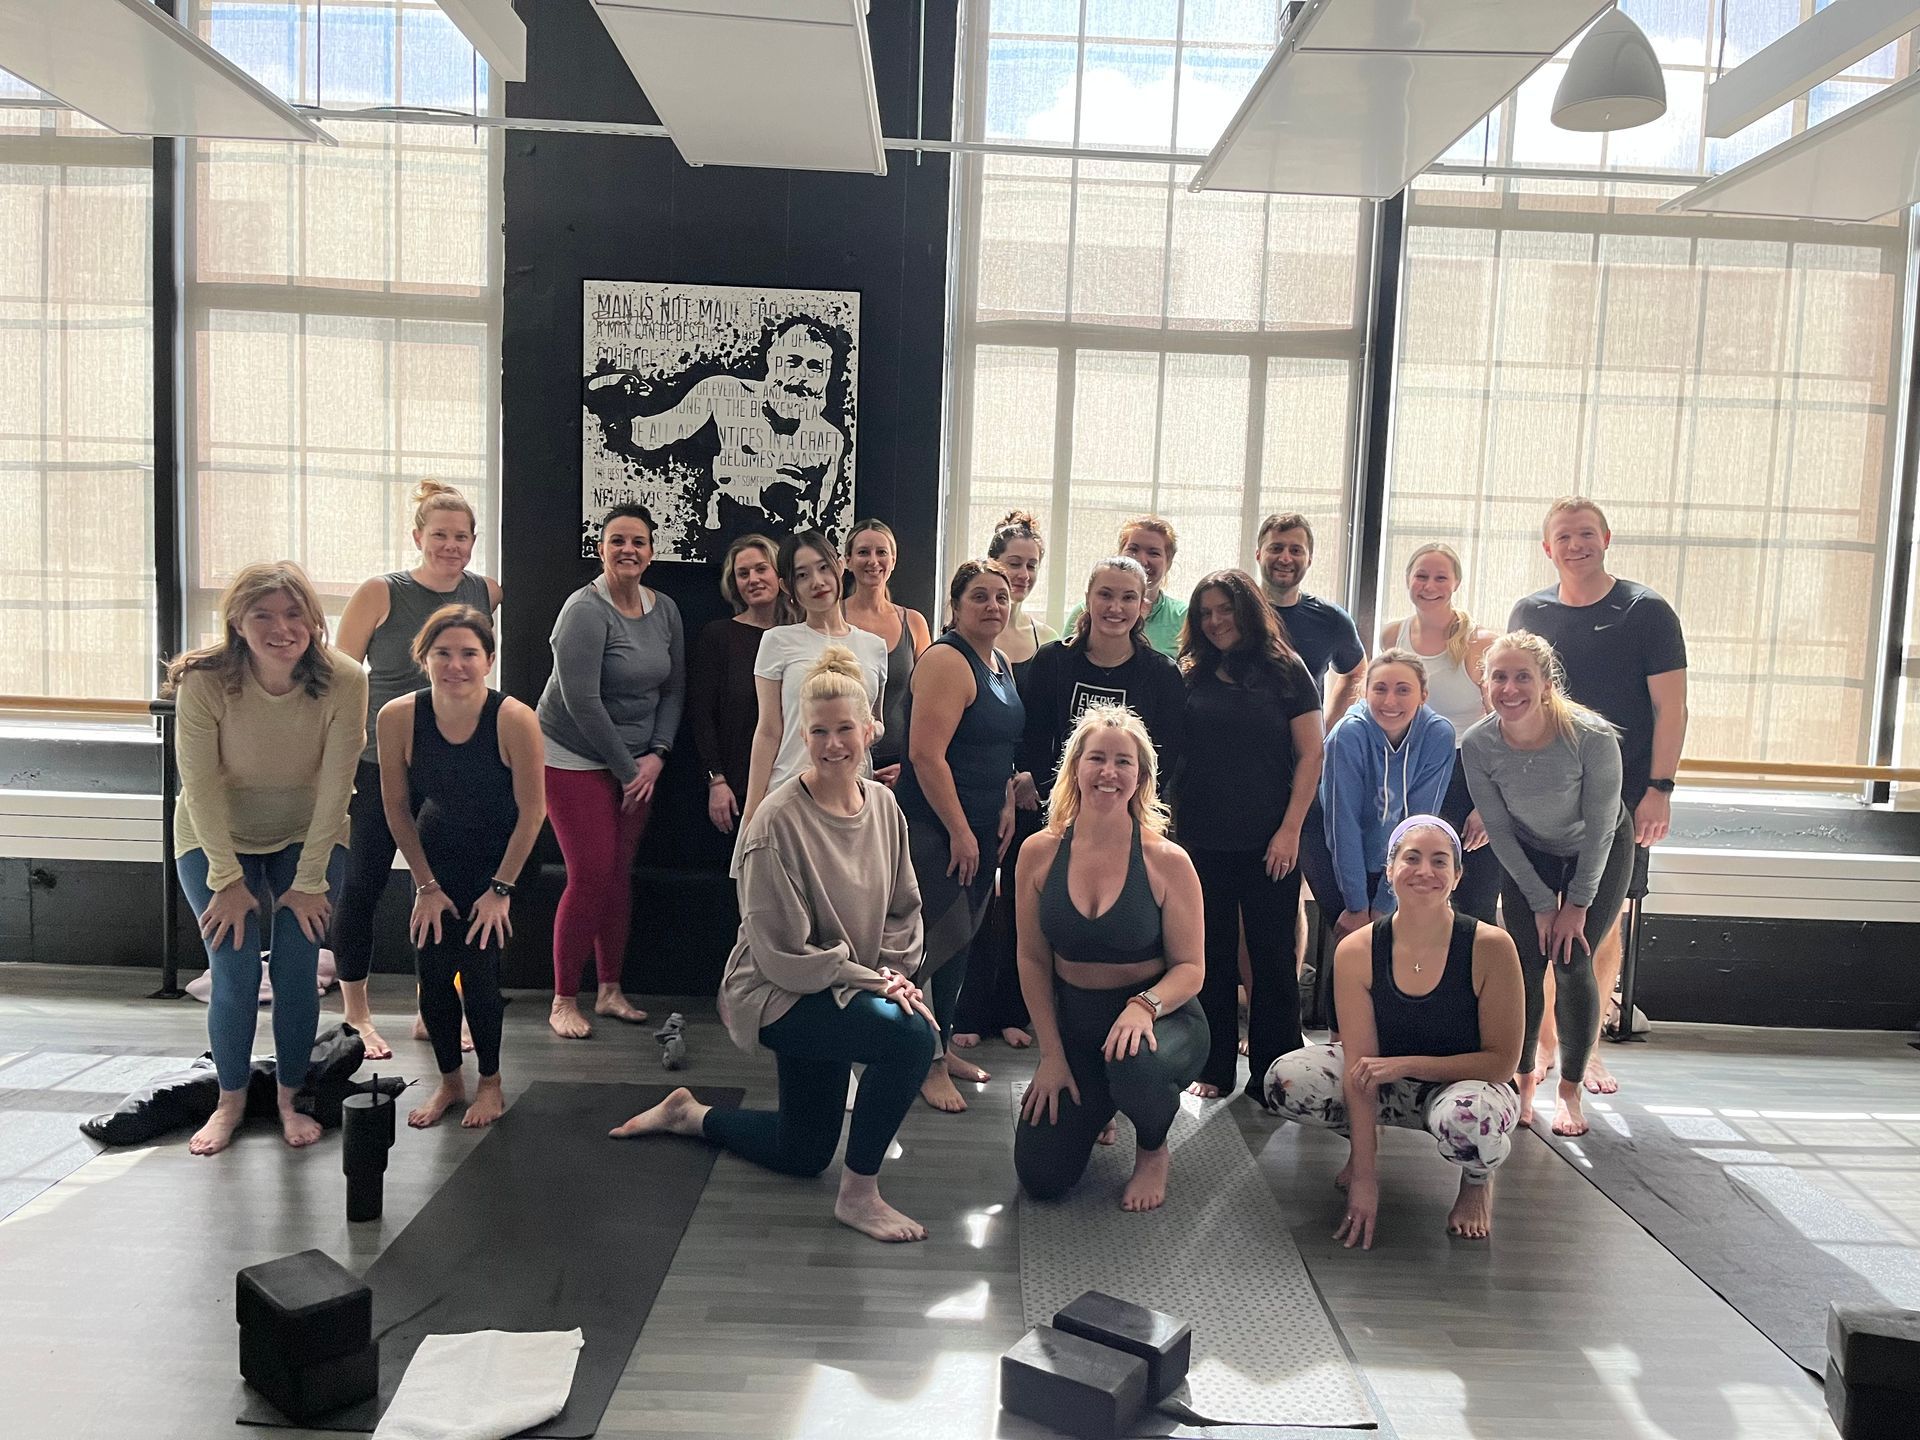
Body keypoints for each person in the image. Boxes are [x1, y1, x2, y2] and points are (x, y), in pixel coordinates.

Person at [610, 647, 937, 1243]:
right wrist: (873, 984)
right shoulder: (774, 822)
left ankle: (689, 1115)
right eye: (819, 732)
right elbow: (782, 951)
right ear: (801, 735)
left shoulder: (886, 807)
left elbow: (904, 910)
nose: (834, 744)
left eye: (845, 729)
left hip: (840, 984)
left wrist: (890, 973)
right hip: (776, 992)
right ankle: (859, 1196)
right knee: (911, 1035)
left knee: (802, 1151)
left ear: (871, 730)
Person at [165, 562, 366, 1156]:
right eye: (263, 616)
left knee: (299, 966)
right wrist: (226, 880)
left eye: (293, 613)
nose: (282, 628)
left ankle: (288, 1095)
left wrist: (308, 883)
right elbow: (198, 786)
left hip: (309, 832)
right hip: (213, 835)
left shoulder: (344, 679)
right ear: (237, 622)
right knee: (235, 968)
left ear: (313, 618)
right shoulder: (205, 681)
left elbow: (338, 786)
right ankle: (229, 1101)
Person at [1260, 816, 1524, 1246]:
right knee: (1285, 1080)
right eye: (1412, 858)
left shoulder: (1491, 946)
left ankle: (1477, 1180)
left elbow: (1501, 1062)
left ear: (1457, 876)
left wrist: (1405, 1064)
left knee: (1469, 1125)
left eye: (1440, 861)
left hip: (1465, 1086)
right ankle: (1363, 1145)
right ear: (1389, 871)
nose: (1425, 871)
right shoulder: (1358, 949)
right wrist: (1366, 1177)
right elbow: (1361, 1065)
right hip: (1386, 1082)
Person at [1509, 497, 1688, 1095]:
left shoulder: (1647, 611)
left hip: (1622, 800)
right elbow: (1512, 696)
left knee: (1596, 929)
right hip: (1540, 796)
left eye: (1587, 533)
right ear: (1547, 547)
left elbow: (1671, 707)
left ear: (1606, 538)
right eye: (1564, 536)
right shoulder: (1531, 610)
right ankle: (1541, 1046)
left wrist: (1659, 789)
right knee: (1536, 931)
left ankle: (1585, 1048)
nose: (1576, 544)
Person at [1014, 705, 1209, 1211]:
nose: (1108, 772)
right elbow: (1033, 959)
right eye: (1096, 758)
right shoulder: (1037, 852)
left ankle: (1152, 1147)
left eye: (1123, 762)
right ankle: (1100, 1104)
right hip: (1078, 1027)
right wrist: (1051, 1056)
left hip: (1162, 1021)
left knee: (1135, 1062)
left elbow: (1192, 968)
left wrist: (1145, 1004)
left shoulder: (1167, 860)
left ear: (1141, 776)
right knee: (1041, 1178)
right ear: (1074, 768)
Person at [331, 480, 499, 1060]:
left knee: (446, 888)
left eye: (461, 536)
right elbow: (340, 674)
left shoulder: (483, 591)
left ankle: (437, 1010)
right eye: (439, 536)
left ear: (474, 541)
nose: (450, 546)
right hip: (381, 760)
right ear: (417, 538)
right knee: (365, 884)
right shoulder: (383, 591)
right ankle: (356, 1014)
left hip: (451, 765)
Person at [376, 607, 545, 1129]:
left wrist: (500, 890)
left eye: (469, 653)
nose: (456, 664)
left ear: (489, 661)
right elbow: (397, 809)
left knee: (479, 973)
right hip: (435, 855)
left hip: (502, 856)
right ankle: (450, 1082)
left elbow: (533, 811)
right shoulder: (398, 716)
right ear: (423, 659)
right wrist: (425, 884)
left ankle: (490, 1084)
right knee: (431, 970)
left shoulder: (515, 718)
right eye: (442, 653)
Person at [1462, 630, 1634, 1137]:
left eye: (1522, 677)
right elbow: (1497, 830)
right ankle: (1524, 1082)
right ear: (1485, 683)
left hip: (1598, 848)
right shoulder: (1479, 744)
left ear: (1545, 684)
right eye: (1499, 677)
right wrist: (1540, 902)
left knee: (1574, 959)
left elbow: (1602, 827)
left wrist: (1576, 904)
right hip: (1529, 851)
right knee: (1526, 963)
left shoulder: (1591, 735)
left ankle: (1570, 1091)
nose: (1509, 688)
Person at [1173, 570, 1324, 1101]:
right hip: (1199, 839)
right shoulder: (1190, 672)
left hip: (1271, 842)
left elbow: (1311, 755)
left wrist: (1289, 832)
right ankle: (1213, 1068)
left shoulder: (1287, 670)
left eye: (1225, 609)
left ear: (1248, 610)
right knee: (1209, 956)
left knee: (1274, 959)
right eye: (1205, 613)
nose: (1215, 622)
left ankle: (1273, 1074)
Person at [539, 503, 685, 1040]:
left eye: (639, 541)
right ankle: (562, 1000)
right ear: (601, 548)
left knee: (618, 873)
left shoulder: (664, 609)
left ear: (651, 551)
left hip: (639, 763)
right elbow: (581, 700)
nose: (628, 549)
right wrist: (629, 771)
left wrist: (658, 754)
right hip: (571, 756)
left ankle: (609, 989)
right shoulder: (583, 611)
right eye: (617, 540)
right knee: (591, 873)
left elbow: (674, 688)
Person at [894, 559, 1023, 1112]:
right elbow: (925, 754)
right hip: (936, 829)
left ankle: (943, 1047)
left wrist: (1008, 801)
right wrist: (959, 831)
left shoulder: (999, 662)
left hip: (978, 824)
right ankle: (924, 1063)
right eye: (979, 596)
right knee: (932, 946)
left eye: (1001, 597)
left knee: (961, 943)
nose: (993, 605)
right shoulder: (948, 658)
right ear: (956, 605)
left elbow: (996, 749)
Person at [952, 510, 1057, 1052]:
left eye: (1032, 565)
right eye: (1013, 563)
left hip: (1026, 792)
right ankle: (965, 1011)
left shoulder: (1045, 634)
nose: (1022, 574)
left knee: (1020, 903)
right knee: (974, 905)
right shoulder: (969, 633)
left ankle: (1014, 1009)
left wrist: (1027, 780)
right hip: (975, 788)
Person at [1377, 544, 1500, 924]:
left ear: (1456, 583)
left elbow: (1504, 728)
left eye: (1441, 577)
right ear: (1408, 581)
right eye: (1422, 576)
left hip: (1468, 774)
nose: (1430, 586)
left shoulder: (1480, 643)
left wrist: (1489, 805)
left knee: (1472, 899)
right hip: (1409, 770)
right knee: (1412, 893)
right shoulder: (1392, 635)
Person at [741, 530, 889, 830]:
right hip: (791, 793)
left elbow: (876, 719)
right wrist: (752, 812)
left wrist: (871, 730)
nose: (817, 582)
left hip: (855, 796)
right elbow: (768, 731)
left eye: (823, 568)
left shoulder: (874, 646)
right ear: (788, 586)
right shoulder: (777, 641)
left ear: (838, 566)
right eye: (803, 575)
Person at [1020, 557, 1186, 802]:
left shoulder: (1162, 674)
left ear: (1142, 606)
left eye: (1128, 597)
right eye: (1105, 595)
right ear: (1088, 599)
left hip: (1131, 810)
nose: (1115, 607)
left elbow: (1164, 758)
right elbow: (1034, 740)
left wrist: (1125, 803)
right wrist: (1062, 797)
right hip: (1060, 806)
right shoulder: (1051, 661)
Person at [1321, 650, 1457, 940]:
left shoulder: (1438, 735)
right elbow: (1342, 822)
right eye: (1380, 689)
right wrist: (1357, 905)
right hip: (1336, 849)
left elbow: (1419, 824)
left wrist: (1386, 901)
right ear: (1364, 692)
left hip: (1398, 854)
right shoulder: (1348, 736)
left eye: (1403, 690)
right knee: (1352, 942)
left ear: (1423, 695)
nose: (1390, 701)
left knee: (1392, 940)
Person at [691, 534, 788, 837]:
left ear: (779, 573)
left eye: (761, 569)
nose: (753, 579)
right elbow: (701, 715)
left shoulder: (801, 635)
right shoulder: (718, 636)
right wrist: (715, 780)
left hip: (796, 783)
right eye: (743, 573)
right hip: (738, 790)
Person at [842, 518, 932, 786]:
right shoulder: (832, 617)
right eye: (863, 552)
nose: (873, 561)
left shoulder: (914, 623)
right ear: (847, 560)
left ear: (893, 560)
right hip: (842, 761)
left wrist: (909, 764)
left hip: (900, 764)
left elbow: (927, 702)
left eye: (881, 552)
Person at [1062, 515, 1187, 658]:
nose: (1141, 560)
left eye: (1153, 553)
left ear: (1169, 562)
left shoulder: (1183, 617)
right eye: (1133, 549)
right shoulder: (1084, 611)